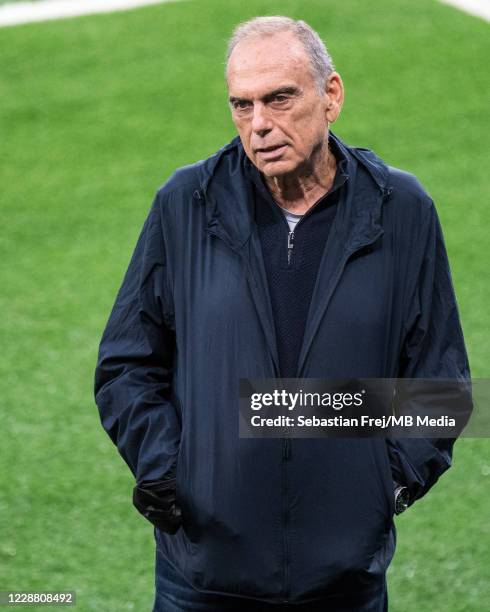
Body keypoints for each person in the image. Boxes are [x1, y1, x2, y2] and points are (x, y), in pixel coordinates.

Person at [94, 15, 471, 611]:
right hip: (203, 578)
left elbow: (441, 386)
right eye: (241, 106)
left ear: (332, 95)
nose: (260, 124)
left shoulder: (402, 211)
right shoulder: (185, 204)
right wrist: (169, 464)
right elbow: (126, 363)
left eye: (280, 98)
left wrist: (379, 481)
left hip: (342, 582)